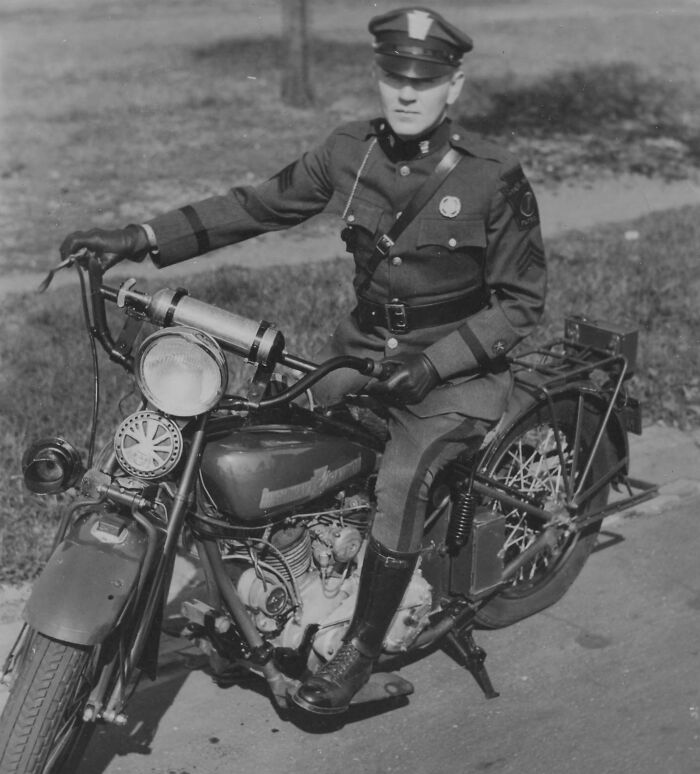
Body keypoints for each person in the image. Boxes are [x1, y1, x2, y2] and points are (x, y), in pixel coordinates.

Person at [60, 6, 546, 715]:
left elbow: (521, 304)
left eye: (425, 80)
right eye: (396, 77)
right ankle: (279, 584)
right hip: (362, 356)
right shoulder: (350, 151)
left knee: (403, 479)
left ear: (455, 86)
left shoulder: (492, 176)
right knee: (260, 436)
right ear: (379, 78)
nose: (407, 93)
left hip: (456, 379)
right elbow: (259, 206)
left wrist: (433, 365)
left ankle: (359, 648)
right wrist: (139, 237)